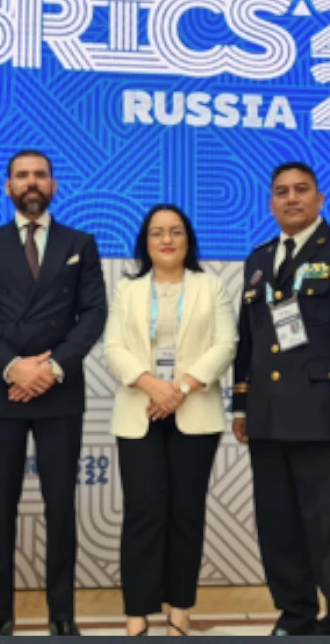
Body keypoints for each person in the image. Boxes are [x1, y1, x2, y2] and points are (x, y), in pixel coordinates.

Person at [230, 162, 330, 637]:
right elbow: (250, 338)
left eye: (301, 190)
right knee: (279, 528)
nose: (291, 198)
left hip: (327, 415)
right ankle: (295, 616)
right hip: (268, 416)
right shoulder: (259, 259)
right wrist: (241, 403)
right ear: (270, 204)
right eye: (281, 192)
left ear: (319, 199)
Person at [0, 150, 108, 636]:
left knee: (61, 507)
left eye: (40, 175)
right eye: (22, 176)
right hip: (1, 391)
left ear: (53, 185)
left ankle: (62, 616)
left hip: (58, 391)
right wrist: (12, 368)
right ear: (8, 187)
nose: (31, 183)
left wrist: (52, 368)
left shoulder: (80, 243)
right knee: (0, 507)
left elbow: (93, 314)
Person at [102, 205, 237, 636]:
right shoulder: (127, 290)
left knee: (185, 512)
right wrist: (152, 386)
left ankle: (180, 608)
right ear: (145, 241)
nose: (166, 240)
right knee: (143, 512)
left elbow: (226, 343)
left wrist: (179, 389)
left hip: (194, 411)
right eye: (157, 232)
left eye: (175, 232)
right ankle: (137, 611)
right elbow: (113, 347)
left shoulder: (210, 286)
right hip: (139, 411)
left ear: (187, 240)